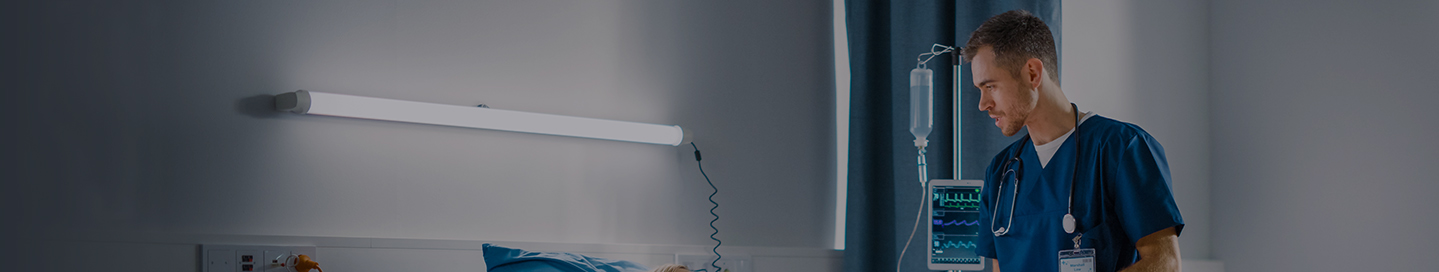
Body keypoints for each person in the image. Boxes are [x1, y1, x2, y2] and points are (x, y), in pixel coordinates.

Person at [964, 10, 1184, 272]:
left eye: (990, 87)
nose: (982, 105)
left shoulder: (1122, 148)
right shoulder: (1000, 173)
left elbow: (1165, 263)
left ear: (1032, 73)